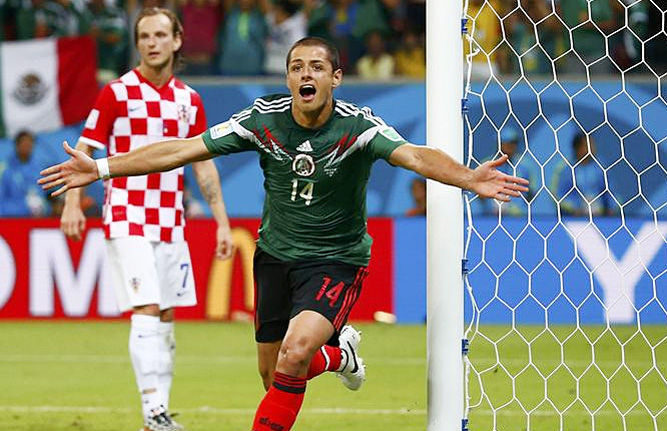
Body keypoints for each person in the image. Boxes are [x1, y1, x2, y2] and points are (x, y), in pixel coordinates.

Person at [40, 37, 529, 431]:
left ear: (336, 78)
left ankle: (323, 353)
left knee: (294, 355)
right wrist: (100, 168)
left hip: (335, 259)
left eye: (316, 67)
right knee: (273, 373)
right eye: (296, 67)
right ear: (289, 77)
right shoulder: (262, 120)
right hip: (274, 257)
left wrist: (469, 177)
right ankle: (339, 356)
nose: (305, 74)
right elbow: (181, 150)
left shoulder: (358, 127)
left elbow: (416, 156)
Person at [56, 7, 233, 431]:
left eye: (160, 35)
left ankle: (160, 414)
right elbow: (85, 149)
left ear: (177, 40)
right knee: (148, 307)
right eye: (144, 36)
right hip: (127, 213)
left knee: (167, 316)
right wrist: (72, 203)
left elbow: (203, 164)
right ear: (137, 44)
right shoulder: (116, 93)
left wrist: (222, 221)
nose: (152, 43)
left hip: (171, 219)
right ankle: (152, 411)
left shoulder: (190, 100)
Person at [554, 133, 611, 217]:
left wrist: (610, 207)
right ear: (578, 148)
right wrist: (575, 208)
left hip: (599, 217)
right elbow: (558, 195)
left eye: (593, 144)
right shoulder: (565, 169)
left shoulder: (600, 167)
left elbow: (611, 192)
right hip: (572, 218)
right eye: (588, 145)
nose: (593, 148)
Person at [0, 130, 47, 217]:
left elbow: (44, 197)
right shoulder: (6, 168)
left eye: (29, 144)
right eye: (24, 144)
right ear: (17, 145)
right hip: (11, 218)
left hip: (37, 218)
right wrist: (25, 207)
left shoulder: (39, 168)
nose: (27, 147)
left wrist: (44, 207)